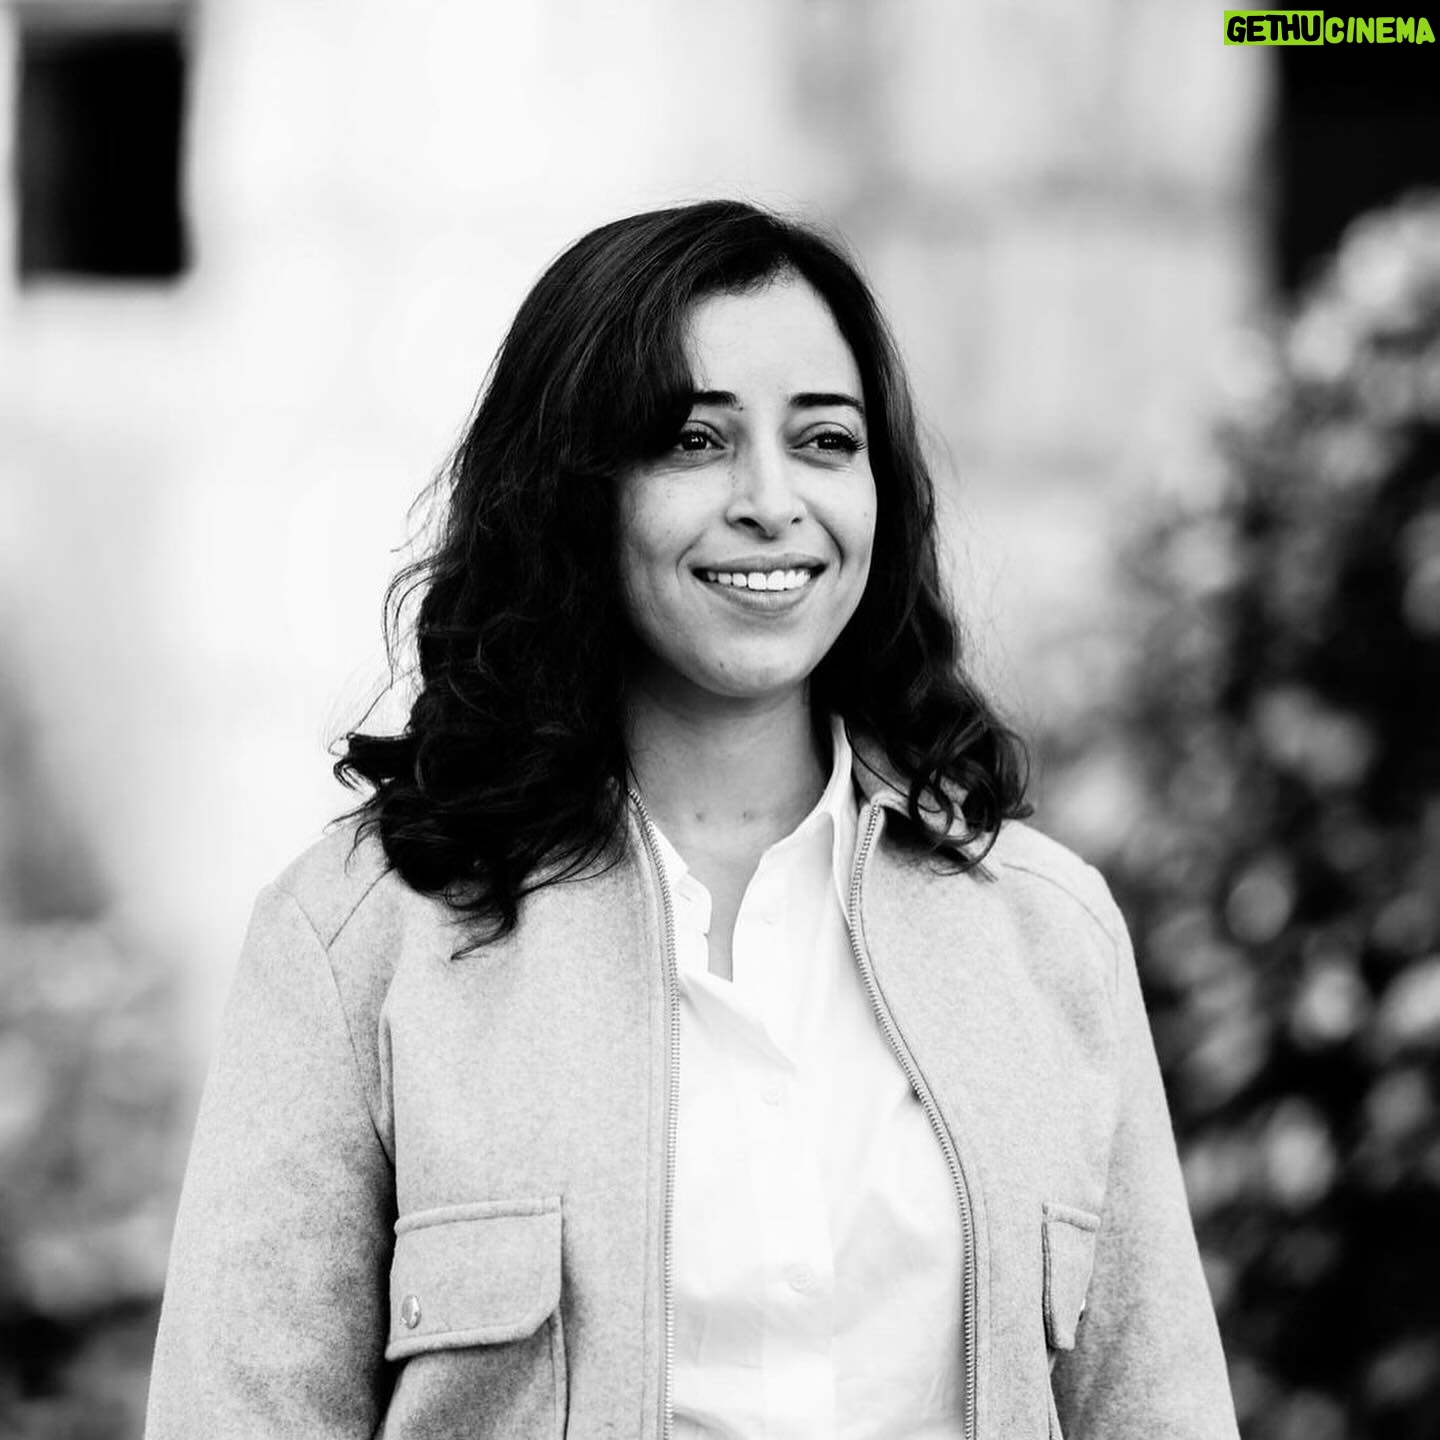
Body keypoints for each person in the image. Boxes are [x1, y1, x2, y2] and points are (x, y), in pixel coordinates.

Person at [144, 200, 1239, 1439]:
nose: (772, 500)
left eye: (826, 441)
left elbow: (1161, 1408)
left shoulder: (1048, 937)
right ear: (574, 489)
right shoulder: (359, 943)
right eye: (692, 441)